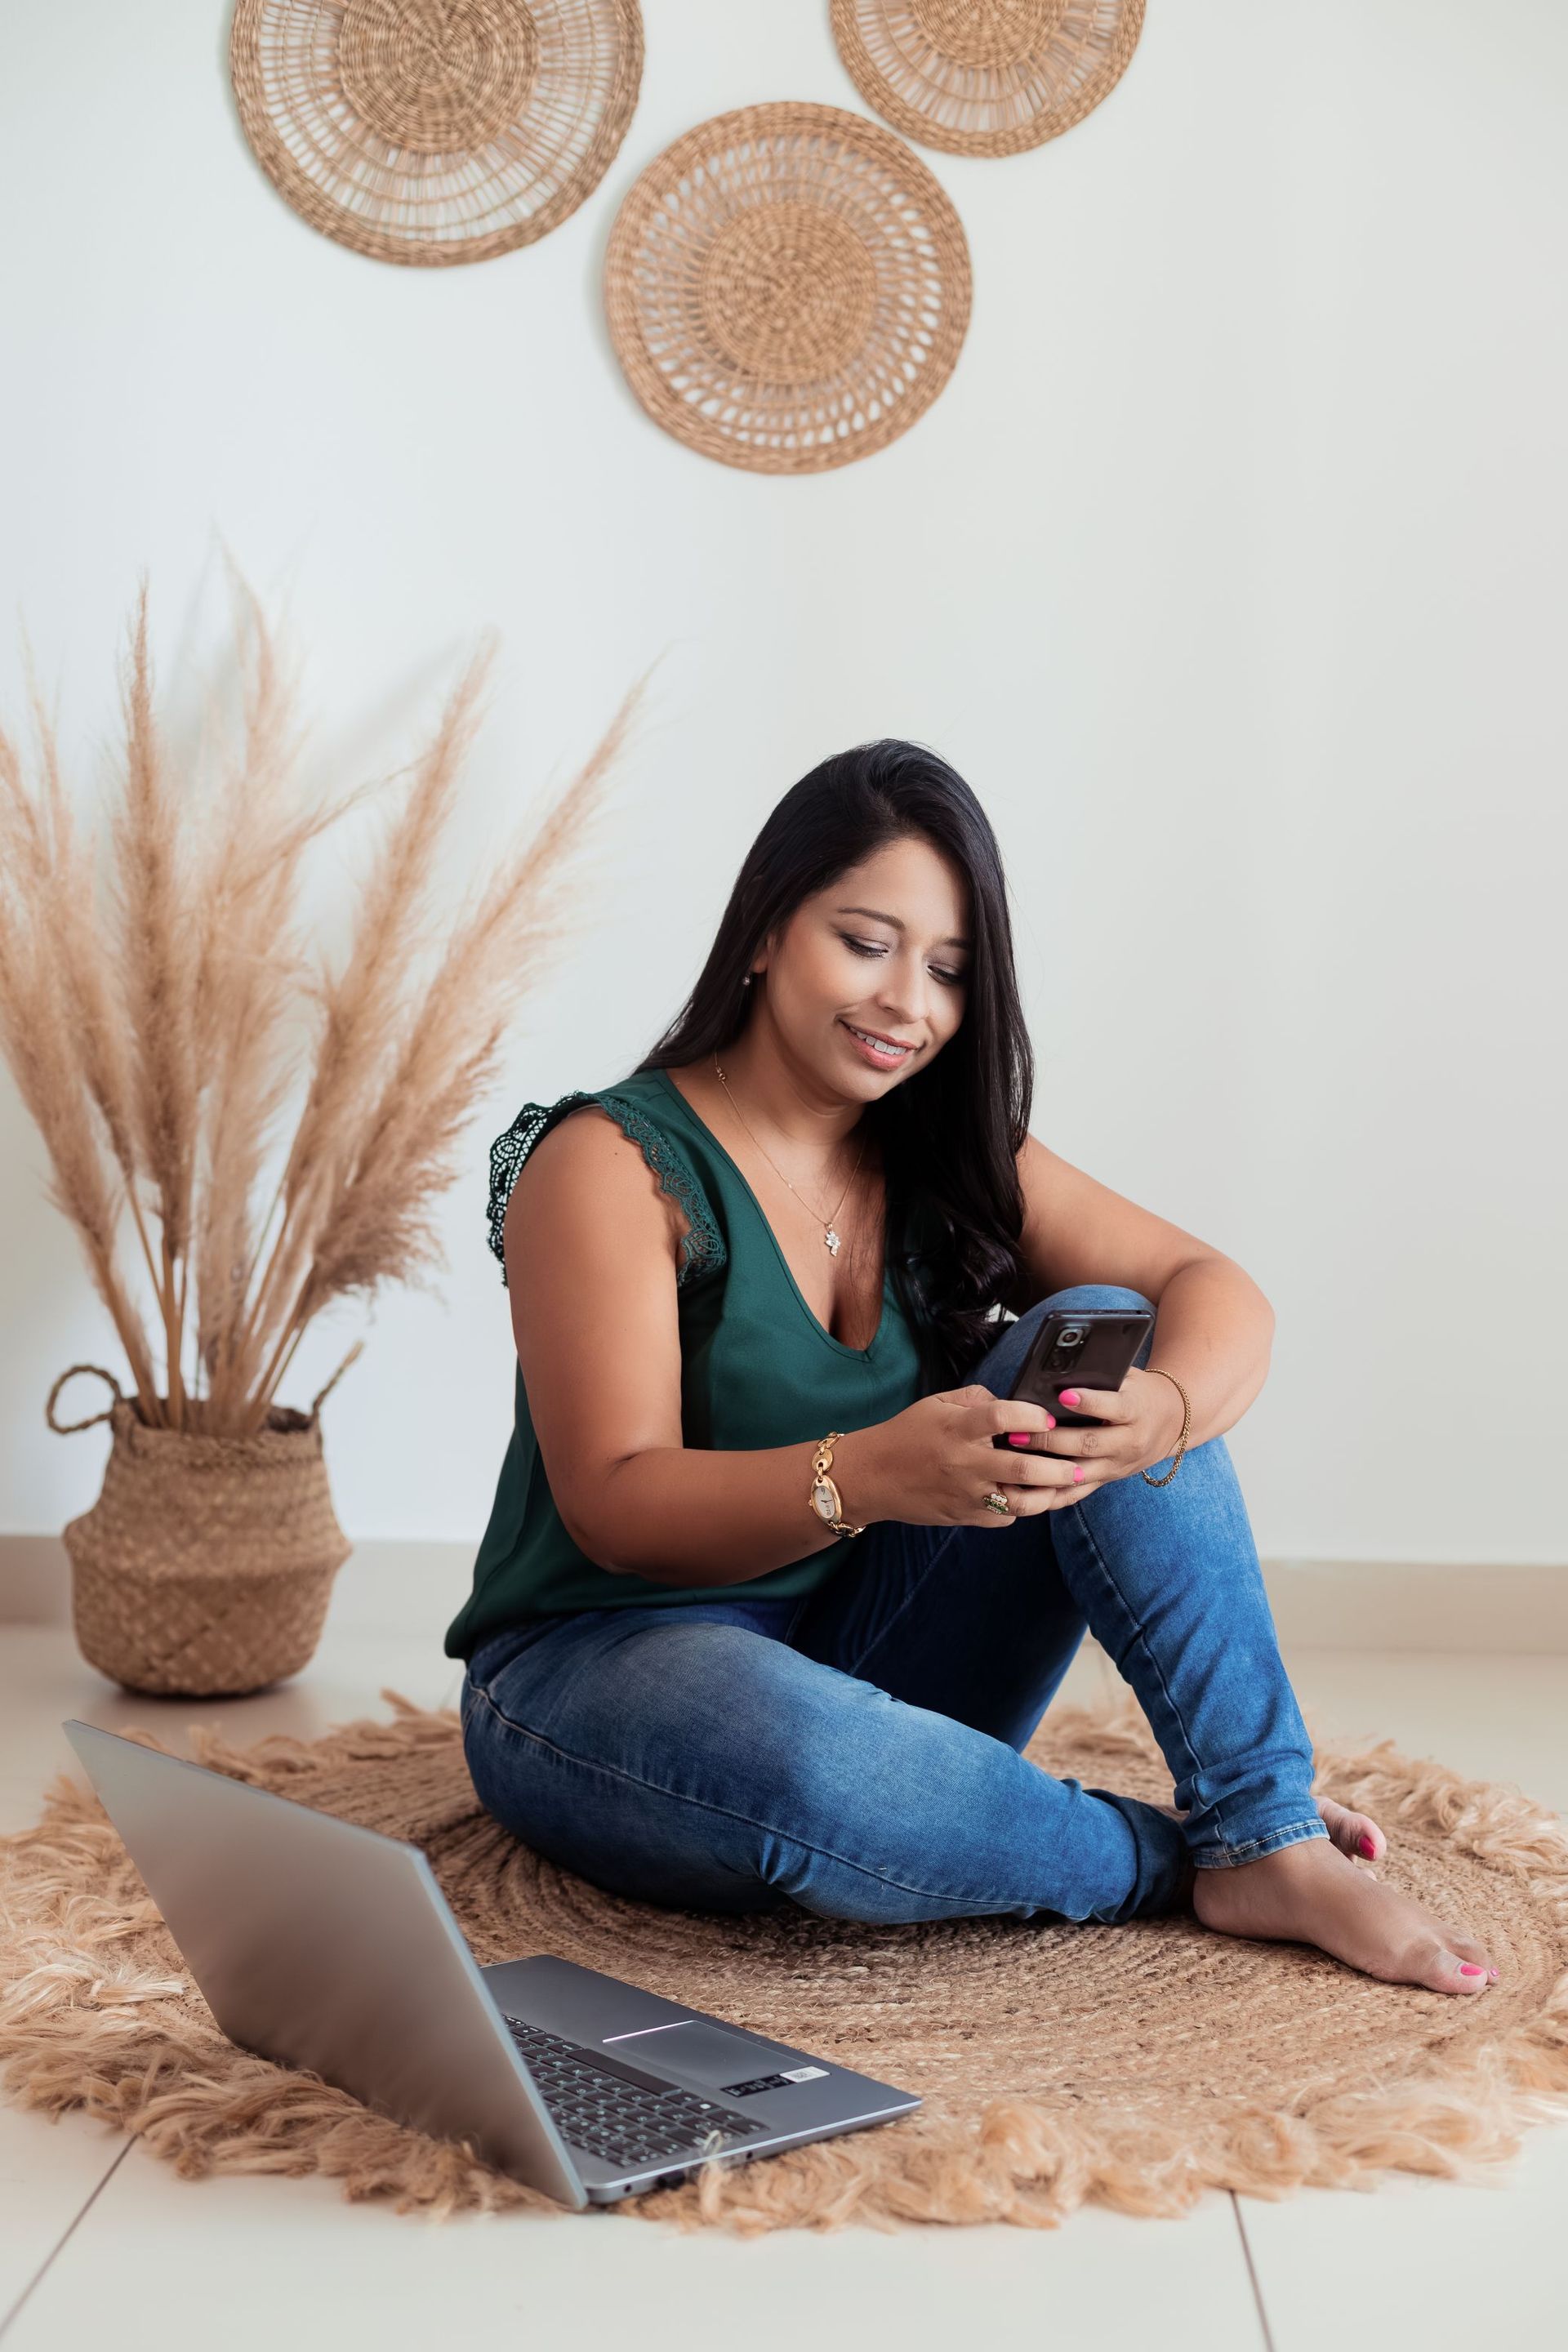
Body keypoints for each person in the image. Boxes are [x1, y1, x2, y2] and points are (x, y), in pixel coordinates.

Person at [448, 740, 1497, 1996]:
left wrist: (1152, 1417)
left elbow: (1218, 1297)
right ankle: (1179, 1861)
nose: (910, 1003)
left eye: (949, 969)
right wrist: (869, 1475)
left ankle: (1257, 1818)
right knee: (813, 1769)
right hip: (605, 1670)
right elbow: (614, 1505)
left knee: (1112, 1330)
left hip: (865, 1636)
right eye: (867, 941)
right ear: (765, 930)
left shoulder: (942, 1149)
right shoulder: (610, 1162)